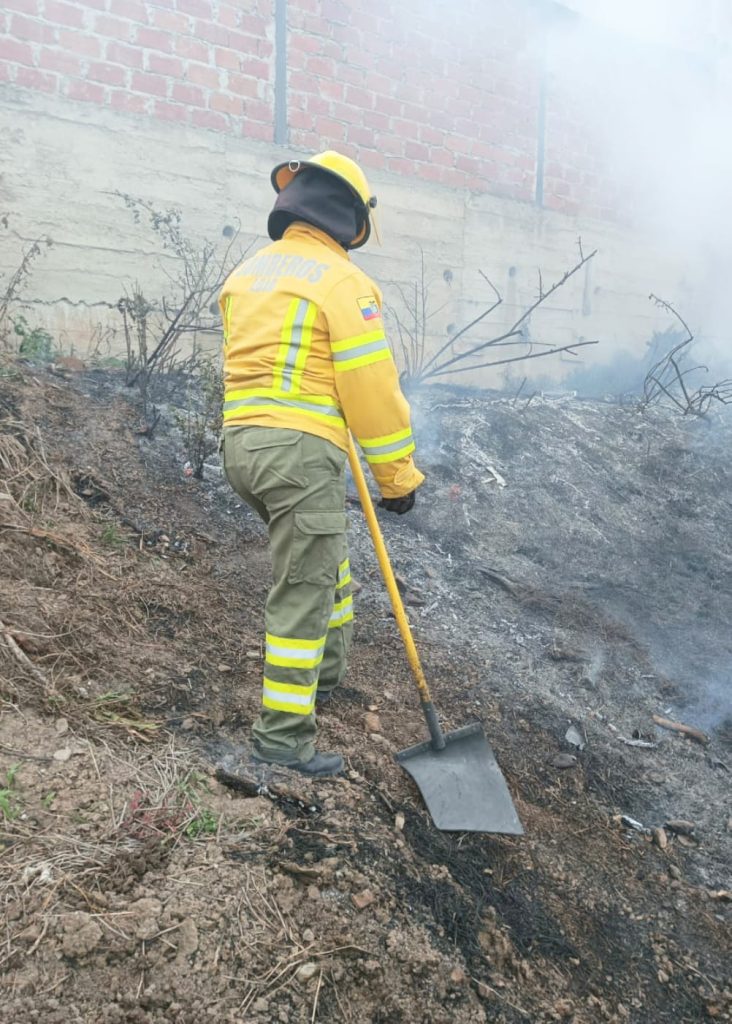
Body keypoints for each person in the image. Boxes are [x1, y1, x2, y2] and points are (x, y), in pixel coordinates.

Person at [219, 151, 424, 777]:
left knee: (326, 562)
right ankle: (281, 743)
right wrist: (397, 477)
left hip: (241, 447)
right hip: (299, 453)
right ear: (350, 218)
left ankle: (327, 675)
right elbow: (372, 389)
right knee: (303, 592)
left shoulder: (249, 273)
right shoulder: (342, 283)